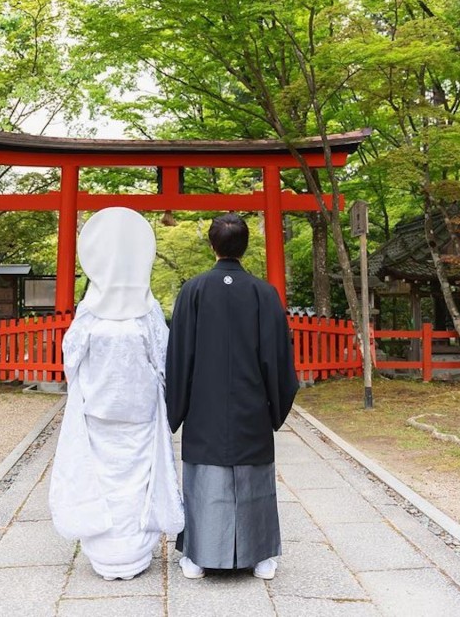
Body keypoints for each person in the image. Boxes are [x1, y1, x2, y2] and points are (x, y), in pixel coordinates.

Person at [49, 207, 184, 581]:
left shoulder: (90, 310)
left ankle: (109, 555)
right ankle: (132, 553)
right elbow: (164, 357)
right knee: (137, 479)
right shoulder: (147, 309)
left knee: (104, 478)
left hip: (99, 406)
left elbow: (71, 358)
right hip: (139, 407)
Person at [166, 212, 299, 580]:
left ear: (212, 245)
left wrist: (174, 408)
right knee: (253, 476)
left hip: (204, 404)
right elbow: (277, 358)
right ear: (245, 246)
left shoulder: (193, 289)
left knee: (206, 477)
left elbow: (178, 355)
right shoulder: (264, 292)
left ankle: (197, 555)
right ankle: (261, 557)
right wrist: (275, 404)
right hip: (251, 403)